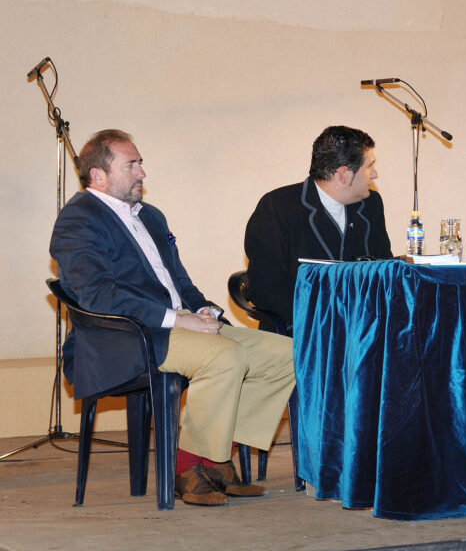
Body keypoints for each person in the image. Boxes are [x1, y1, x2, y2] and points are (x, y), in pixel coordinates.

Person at [50, 129, 295, 507]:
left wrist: (203, 310)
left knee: (287, 354)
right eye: (131, 164)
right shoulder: (78, 221)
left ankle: (213, 461)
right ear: (98, 175)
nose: (142, 173)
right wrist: (178, 321)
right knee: (225, 357)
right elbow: (98, 295)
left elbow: (178, 281)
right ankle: (187, 469)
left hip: (174, 322)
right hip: (124, 337)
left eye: (141, 163)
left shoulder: (151, 216)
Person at [244, 126, 391, 328]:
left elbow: (385, 268)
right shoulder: (277, 207)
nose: (375, 174)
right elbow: (264, 289)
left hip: (362, 328)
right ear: (343, 174)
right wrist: (325, 317)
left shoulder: (370, 204)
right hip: (303, 329)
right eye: (369, 166)